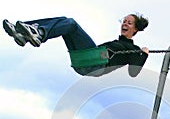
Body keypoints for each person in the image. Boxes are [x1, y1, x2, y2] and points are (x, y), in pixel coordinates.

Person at [3, 14, 149, 77]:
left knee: (71, 23)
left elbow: (133, 72)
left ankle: (38, 32)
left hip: (96, 65)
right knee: (64, 22)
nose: (124, 24)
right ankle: (24, 33)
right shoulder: (115, 43)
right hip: (83, 62)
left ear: (135, 29)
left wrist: (144, 54)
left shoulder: (134, 50)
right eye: (124, 21)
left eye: (129, 23)